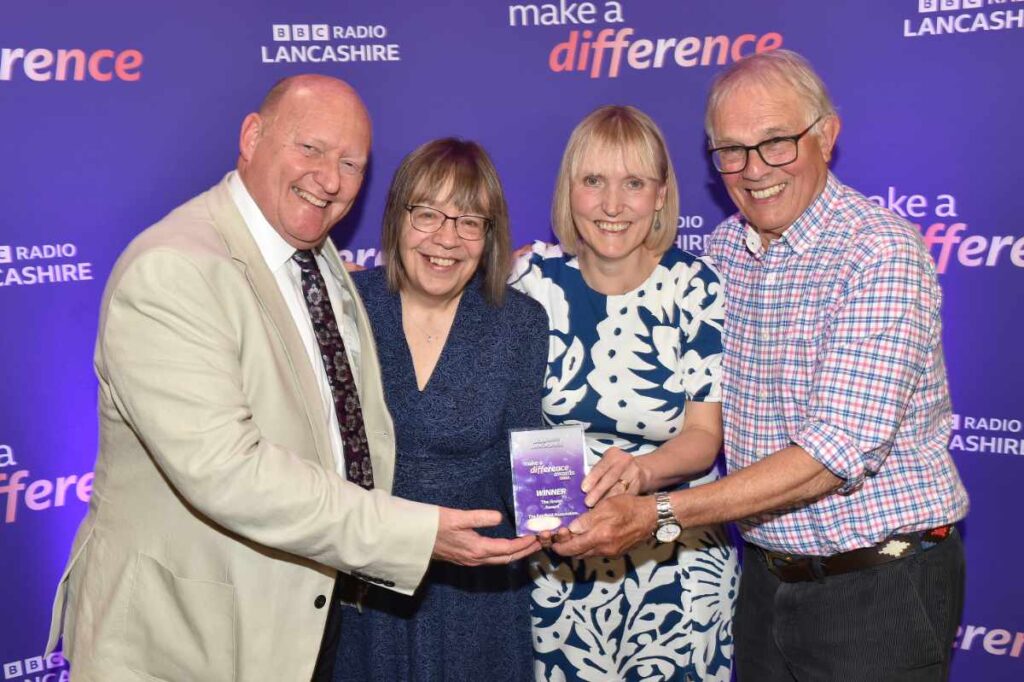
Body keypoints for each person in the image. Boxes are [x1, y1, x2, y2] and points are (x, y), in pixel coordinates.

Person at [44, 75, 539, 682]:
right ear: (252, 137)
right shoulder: (175, 270)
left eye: (351, 162)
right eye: (310, 148)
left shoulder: (317, 259)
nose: (329, 178)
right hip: (189, 635)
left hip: (302, 613)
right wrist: (412, 534)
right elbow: (229, 472)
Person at [551, 50, 969, 681]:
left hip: (876, 583)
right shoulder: (722, 252)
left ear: (826, 136)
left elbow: (838, 450)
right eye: (731, 151)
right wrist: (532, 263)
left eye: (775, 143)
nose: (753, 170)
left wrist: (660, 513)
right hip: (766, 581)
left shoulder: (878, 251)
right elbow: (627, 273)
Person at [511, 105, 738, 682]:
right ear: (569, 190)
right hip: (558, 567)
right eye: (594, 182)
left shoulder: (695, 286)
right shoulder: (528, 281)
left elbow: (702, 437)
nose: (613, 205)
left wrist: (640, 473)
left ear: (661, 196)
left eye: (634, 183)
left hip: (676, 562)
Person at [330, 137, 547, 681]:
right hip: (369, 580)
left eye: (469, 221)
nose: (446, 239)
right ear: (397, 218)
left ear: (488, 237)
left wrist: (566, 510)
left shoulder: (518, 321)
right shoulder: (347, 310)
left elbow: (523, 455)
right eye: (427, 214)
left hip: (477, 586)